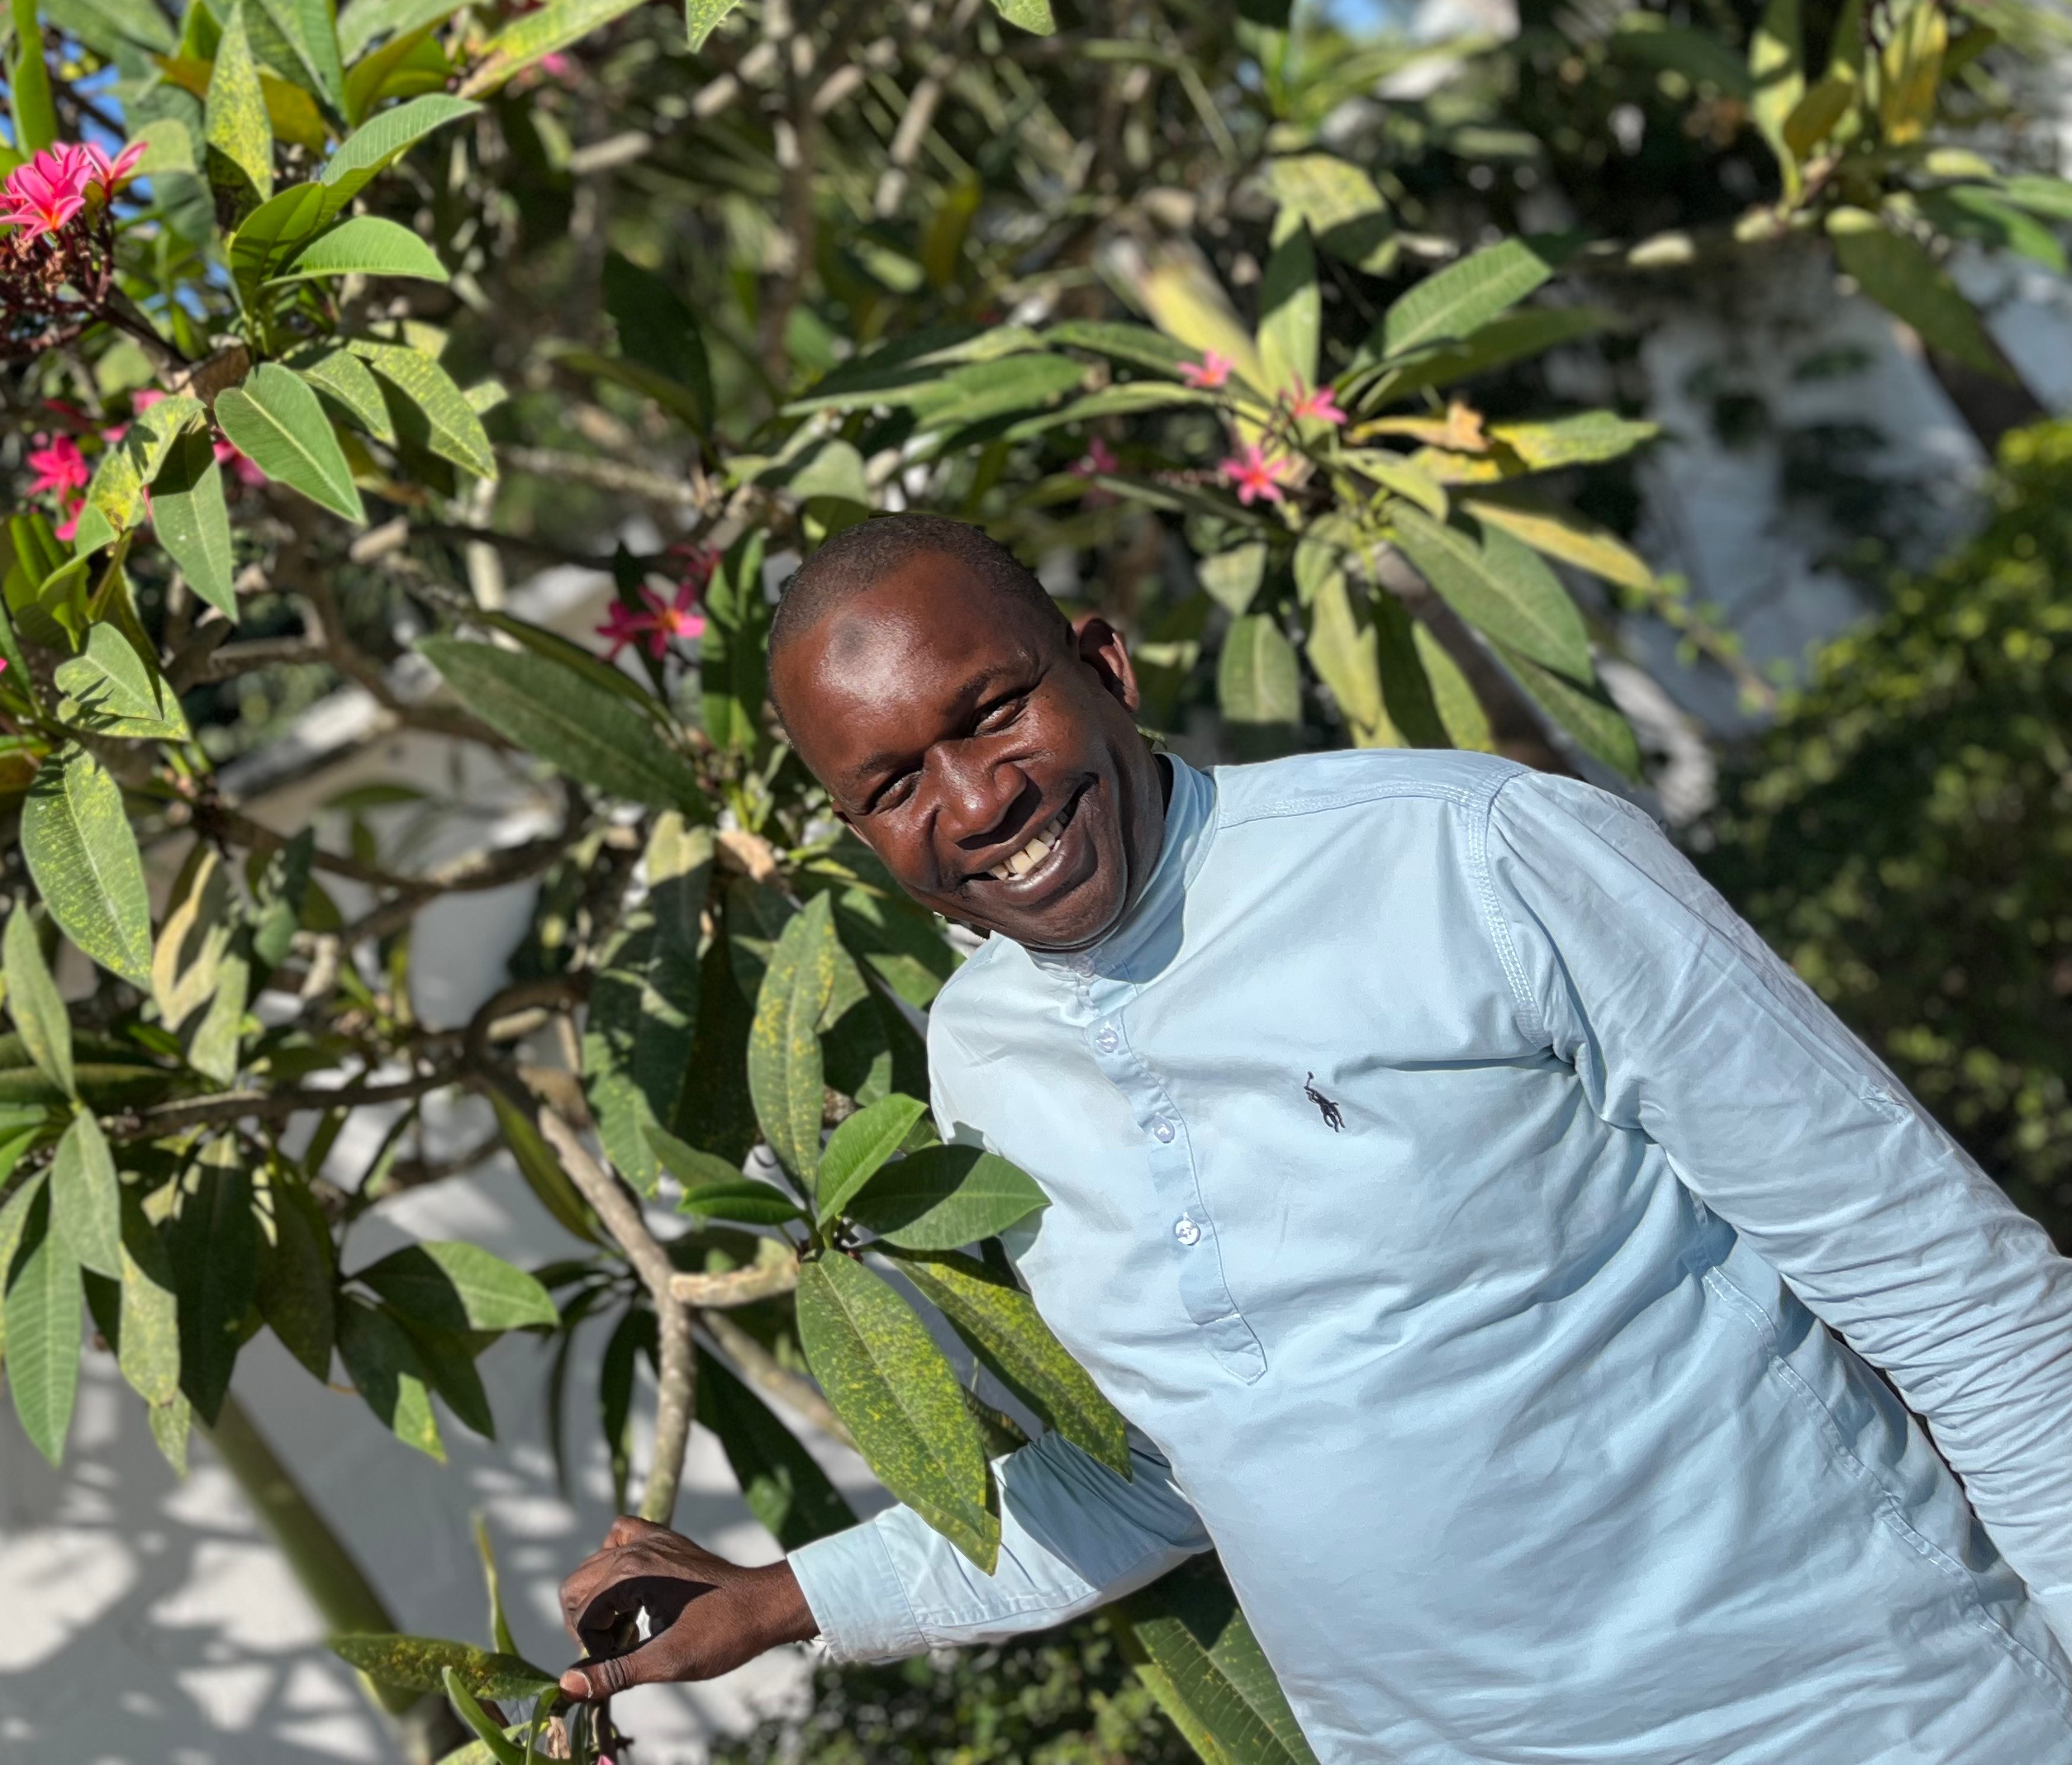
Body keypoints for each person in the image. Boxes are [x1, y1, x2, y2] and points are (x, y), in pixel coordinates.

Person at [554, 512, 2072, 1764]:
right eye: (893, 785)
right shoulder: (978, 1064)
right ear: (856, 836)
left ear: (1104, 665)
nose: (975, 797)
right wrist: (786, 1599)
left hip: (1876, 1719)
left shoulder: (1472, 855)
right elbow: (1175, 1464)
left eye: (993, 710)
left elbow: (1962, 1297)